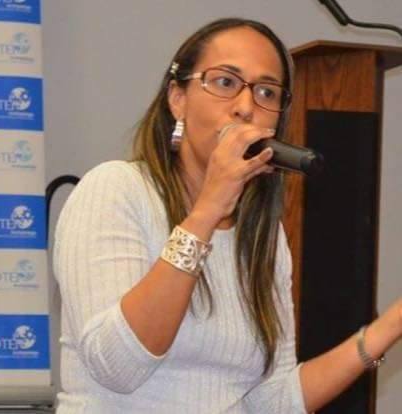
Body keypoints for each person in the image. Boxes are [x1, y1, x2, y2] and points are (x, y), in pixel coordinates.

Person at [53, 17, 402, 413]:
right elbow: (117, 366)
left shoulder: (263, 236)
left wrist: (390, 326)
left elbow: (273, 402)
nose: (246, 107)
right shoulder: (116, 189)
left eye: (267, 92)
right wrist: (208, 210)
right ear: (178, 99)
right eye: (225, 82)